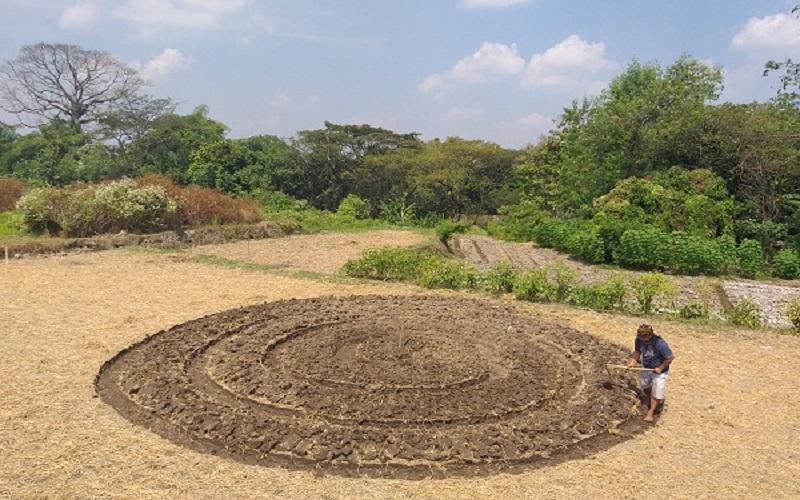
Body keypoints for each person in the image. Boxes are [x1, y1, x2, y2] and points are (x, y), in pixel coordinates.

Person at [628, 324, 674, 422]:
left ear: (650, 335)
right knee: (645, 386)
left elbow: (670, 358)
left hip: (659, 371)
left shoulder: (660, 344)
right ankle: (650, 399)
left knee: (657, 390)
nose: (643, 338)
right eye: (641, 336)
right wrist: (633, 361)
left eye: (645, 336)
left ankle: (651, 411)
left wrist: (660, 368)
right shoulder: (639, 340)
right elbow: (637, 352)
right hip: (647, 368)